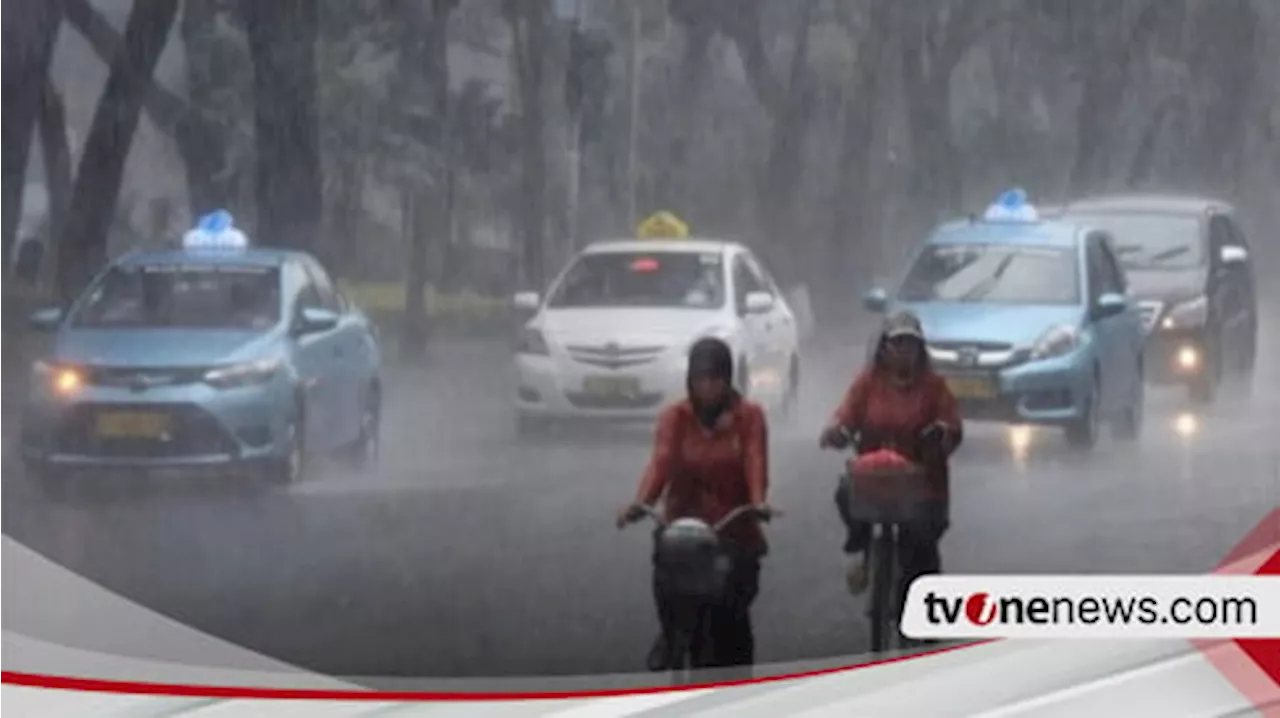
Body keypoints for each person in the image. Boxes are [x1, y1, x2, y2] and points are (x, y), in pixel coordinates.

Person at [616, 337, 775, 671]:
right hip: (682, 527)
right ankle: (670, 634)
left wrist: (758, 501)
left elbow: (755, 461)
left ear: (728, 380)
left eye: (715, 379)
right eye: (700, 379)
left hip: (733, 528)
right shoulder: (675, 417)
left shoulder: (750, 417)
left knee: (732, 617)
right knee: (666, 578)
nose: (707, 387)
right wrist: (640, 503)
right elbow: (660, 463)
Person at [819, 310, 962, 609]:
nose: (903, 352)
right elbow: (846, 415)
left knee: (920, 551)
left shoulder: (934, 386)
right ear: (884, 348)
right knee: (845, 492)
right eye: (897, 344)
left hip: (922, 484)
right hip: (874, 481)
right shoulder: (868, 382)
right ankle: (860, 544)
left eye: (910, 344)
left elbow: (953, 428)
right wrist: (836, 431)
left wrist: (941, 435)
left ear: (920, 349)